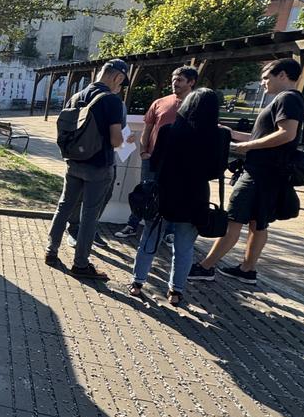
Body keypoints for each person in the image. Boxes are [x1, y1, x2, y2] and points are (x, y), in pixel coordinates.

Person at [190, 58, 304, 284]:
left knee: (233, 219)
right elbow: (267, 136)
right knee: (258, 222)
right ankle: (247, 269)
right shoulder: (291, 99)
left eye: (266, 77)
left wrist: (246, 146)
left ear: (282, 75)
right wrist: (232, 134)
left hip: (259, 174)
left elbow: (287, 134)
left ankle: (205, 267)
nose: (263, 83)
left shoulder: (287, 99)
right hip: (269, 174)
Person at [127, 88, 230, 305]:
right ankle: (176, 291)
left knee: (149, 240)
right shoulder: (221, 136)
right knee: (184, 248)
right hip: (195, 198)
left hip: (164, 194)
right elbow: (216, 171)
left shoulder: (168, 131)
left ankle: (137, 283)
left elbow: (154, 164)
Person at [44, 59, 128, 280]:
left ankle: (50, 251)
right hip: (98, 166)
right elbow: (116, 140)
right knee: (89, 216)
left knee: (64, 206)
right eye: (121, 82)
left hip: (74, 162)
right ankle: (81, 264)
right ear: (118, 77)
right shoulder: (112, 101)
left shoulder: (77, 96)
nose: (120, 87)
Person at [113, 66, 199, 241]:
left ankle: (170, 232)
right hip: (152, 157)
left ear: (191, 82)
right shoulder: (160, 102)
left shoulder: (198, 105)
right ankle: (133, 224)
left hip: (179, 162)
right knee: (145, 192)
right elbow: (148, 128)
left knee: (173, 194)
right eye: (174, 79)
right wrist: (144, 151)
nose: (175, 83)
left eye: (180, 80)